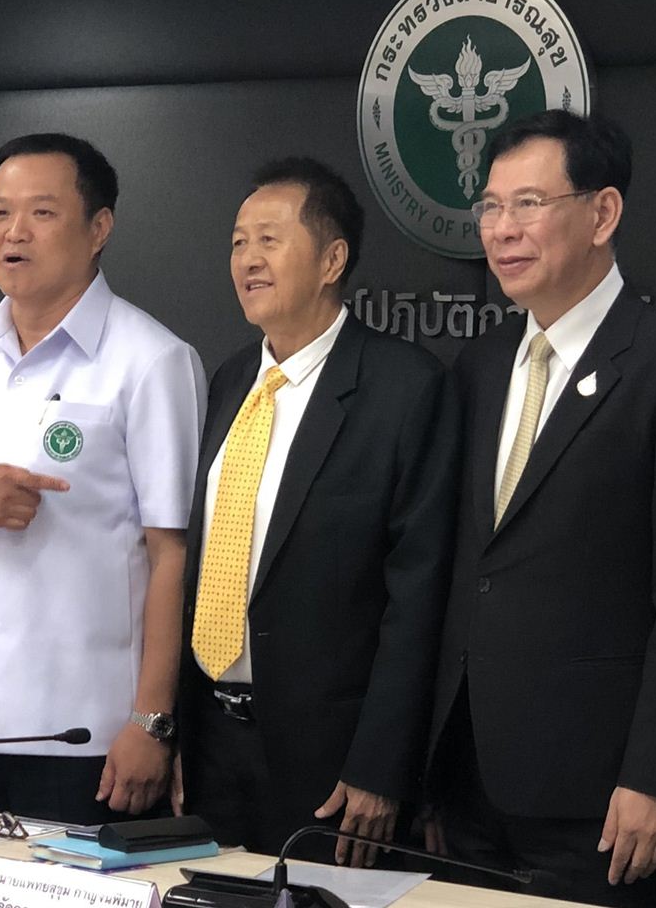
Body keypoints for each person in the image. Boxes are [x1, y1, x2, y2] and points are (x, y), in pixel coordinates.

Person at [425, 110, 656, 906]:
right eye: (491, 207)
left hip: (599, 798)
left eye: (529, 204)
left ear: (602, 214)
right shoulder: (479, 365)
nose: (503, 229)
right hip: (467, 782)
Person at [0, 132, 205, 823]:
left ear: (99, 228)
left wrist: (152, 721)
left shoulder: (151, 359)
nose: (13, 232)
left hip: (84, 736)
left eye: (42, 213)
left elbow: (171, 553)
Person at [174, 157, 456, 864]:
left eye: (269, 240)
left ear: (332, 260)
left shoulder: (405, 387)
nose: (247, 260)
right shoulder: (231, 379)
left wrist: (381, 765)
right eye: (238, 243)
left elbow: (418, 597)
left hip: (333, 765)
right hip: (212, 744)